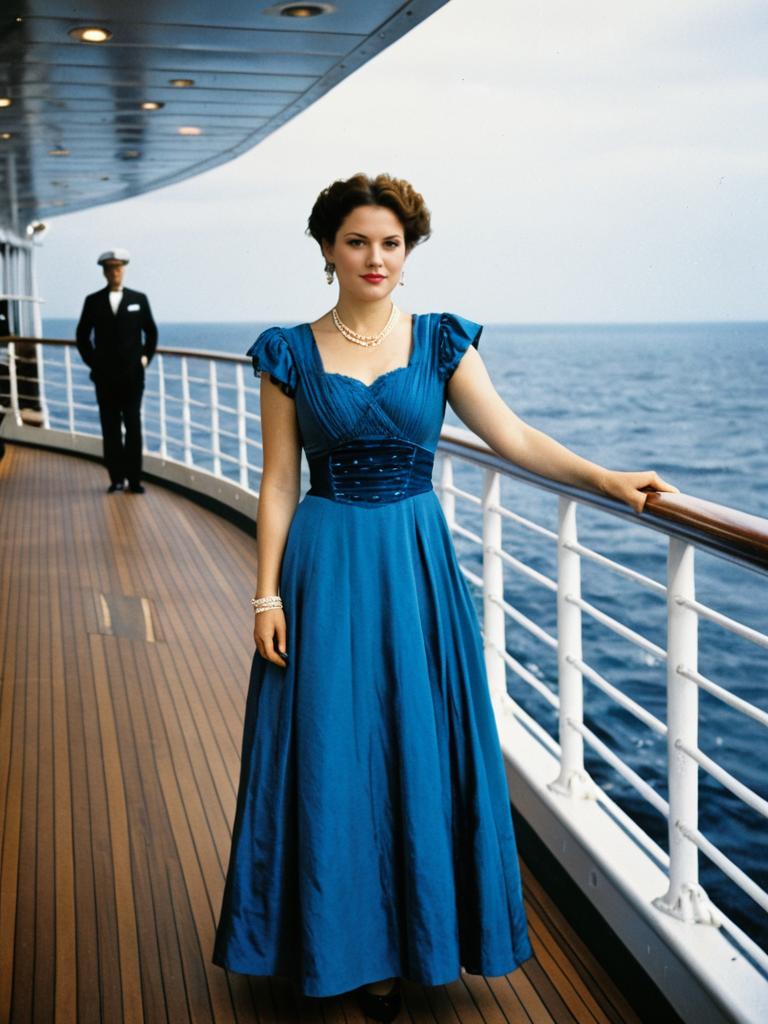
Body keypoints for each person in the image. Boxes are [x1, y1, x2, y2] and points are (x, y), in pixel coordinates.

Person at [211, 173, 678, 1020]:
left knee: (411, 747)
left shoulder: (440, 342)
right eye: (357, 241)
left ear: (409, 249)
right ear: (326, 250)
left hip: (415, 566)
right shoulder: (288, 350)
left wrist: (607, 480)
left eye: (390, 243)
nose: (375, 257)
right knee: (328, 756)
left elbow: (514, 436)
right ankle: (333, 942)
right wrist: (264, 596)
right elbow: (278, 482)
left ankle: (409, 942)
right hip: (327, 563)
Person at [75, 248, 157, 493]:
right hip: (105, 377)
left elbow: (151, 332)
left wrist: (144, 359)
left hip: (133, 376)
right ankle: (116, 479)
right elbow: (82, 336)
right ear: (104, 272)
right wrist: (94, 362)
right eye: (110, 269)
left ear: (123, 269)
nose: (115, 272)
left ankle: (134, 480)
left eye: (118, 268)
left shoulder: (138, 299)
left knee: (133, 425)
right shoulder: (93, 301)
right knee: (110, 427)